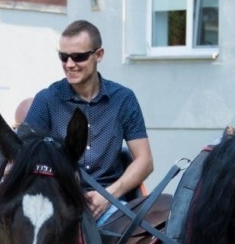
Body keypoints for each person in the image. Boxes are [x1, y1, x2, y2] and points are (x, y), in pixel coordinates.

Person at [23, 19, 152, 223]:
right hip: (56, 204)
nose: (69, 65)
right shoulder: (46, 100)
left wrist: (107, 196)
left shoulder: (123, 99)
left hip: (111, 204)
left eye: (79, 57)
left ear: (98, 55)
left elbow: (145, 162)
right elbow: (21, 157)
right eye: (63, 57)